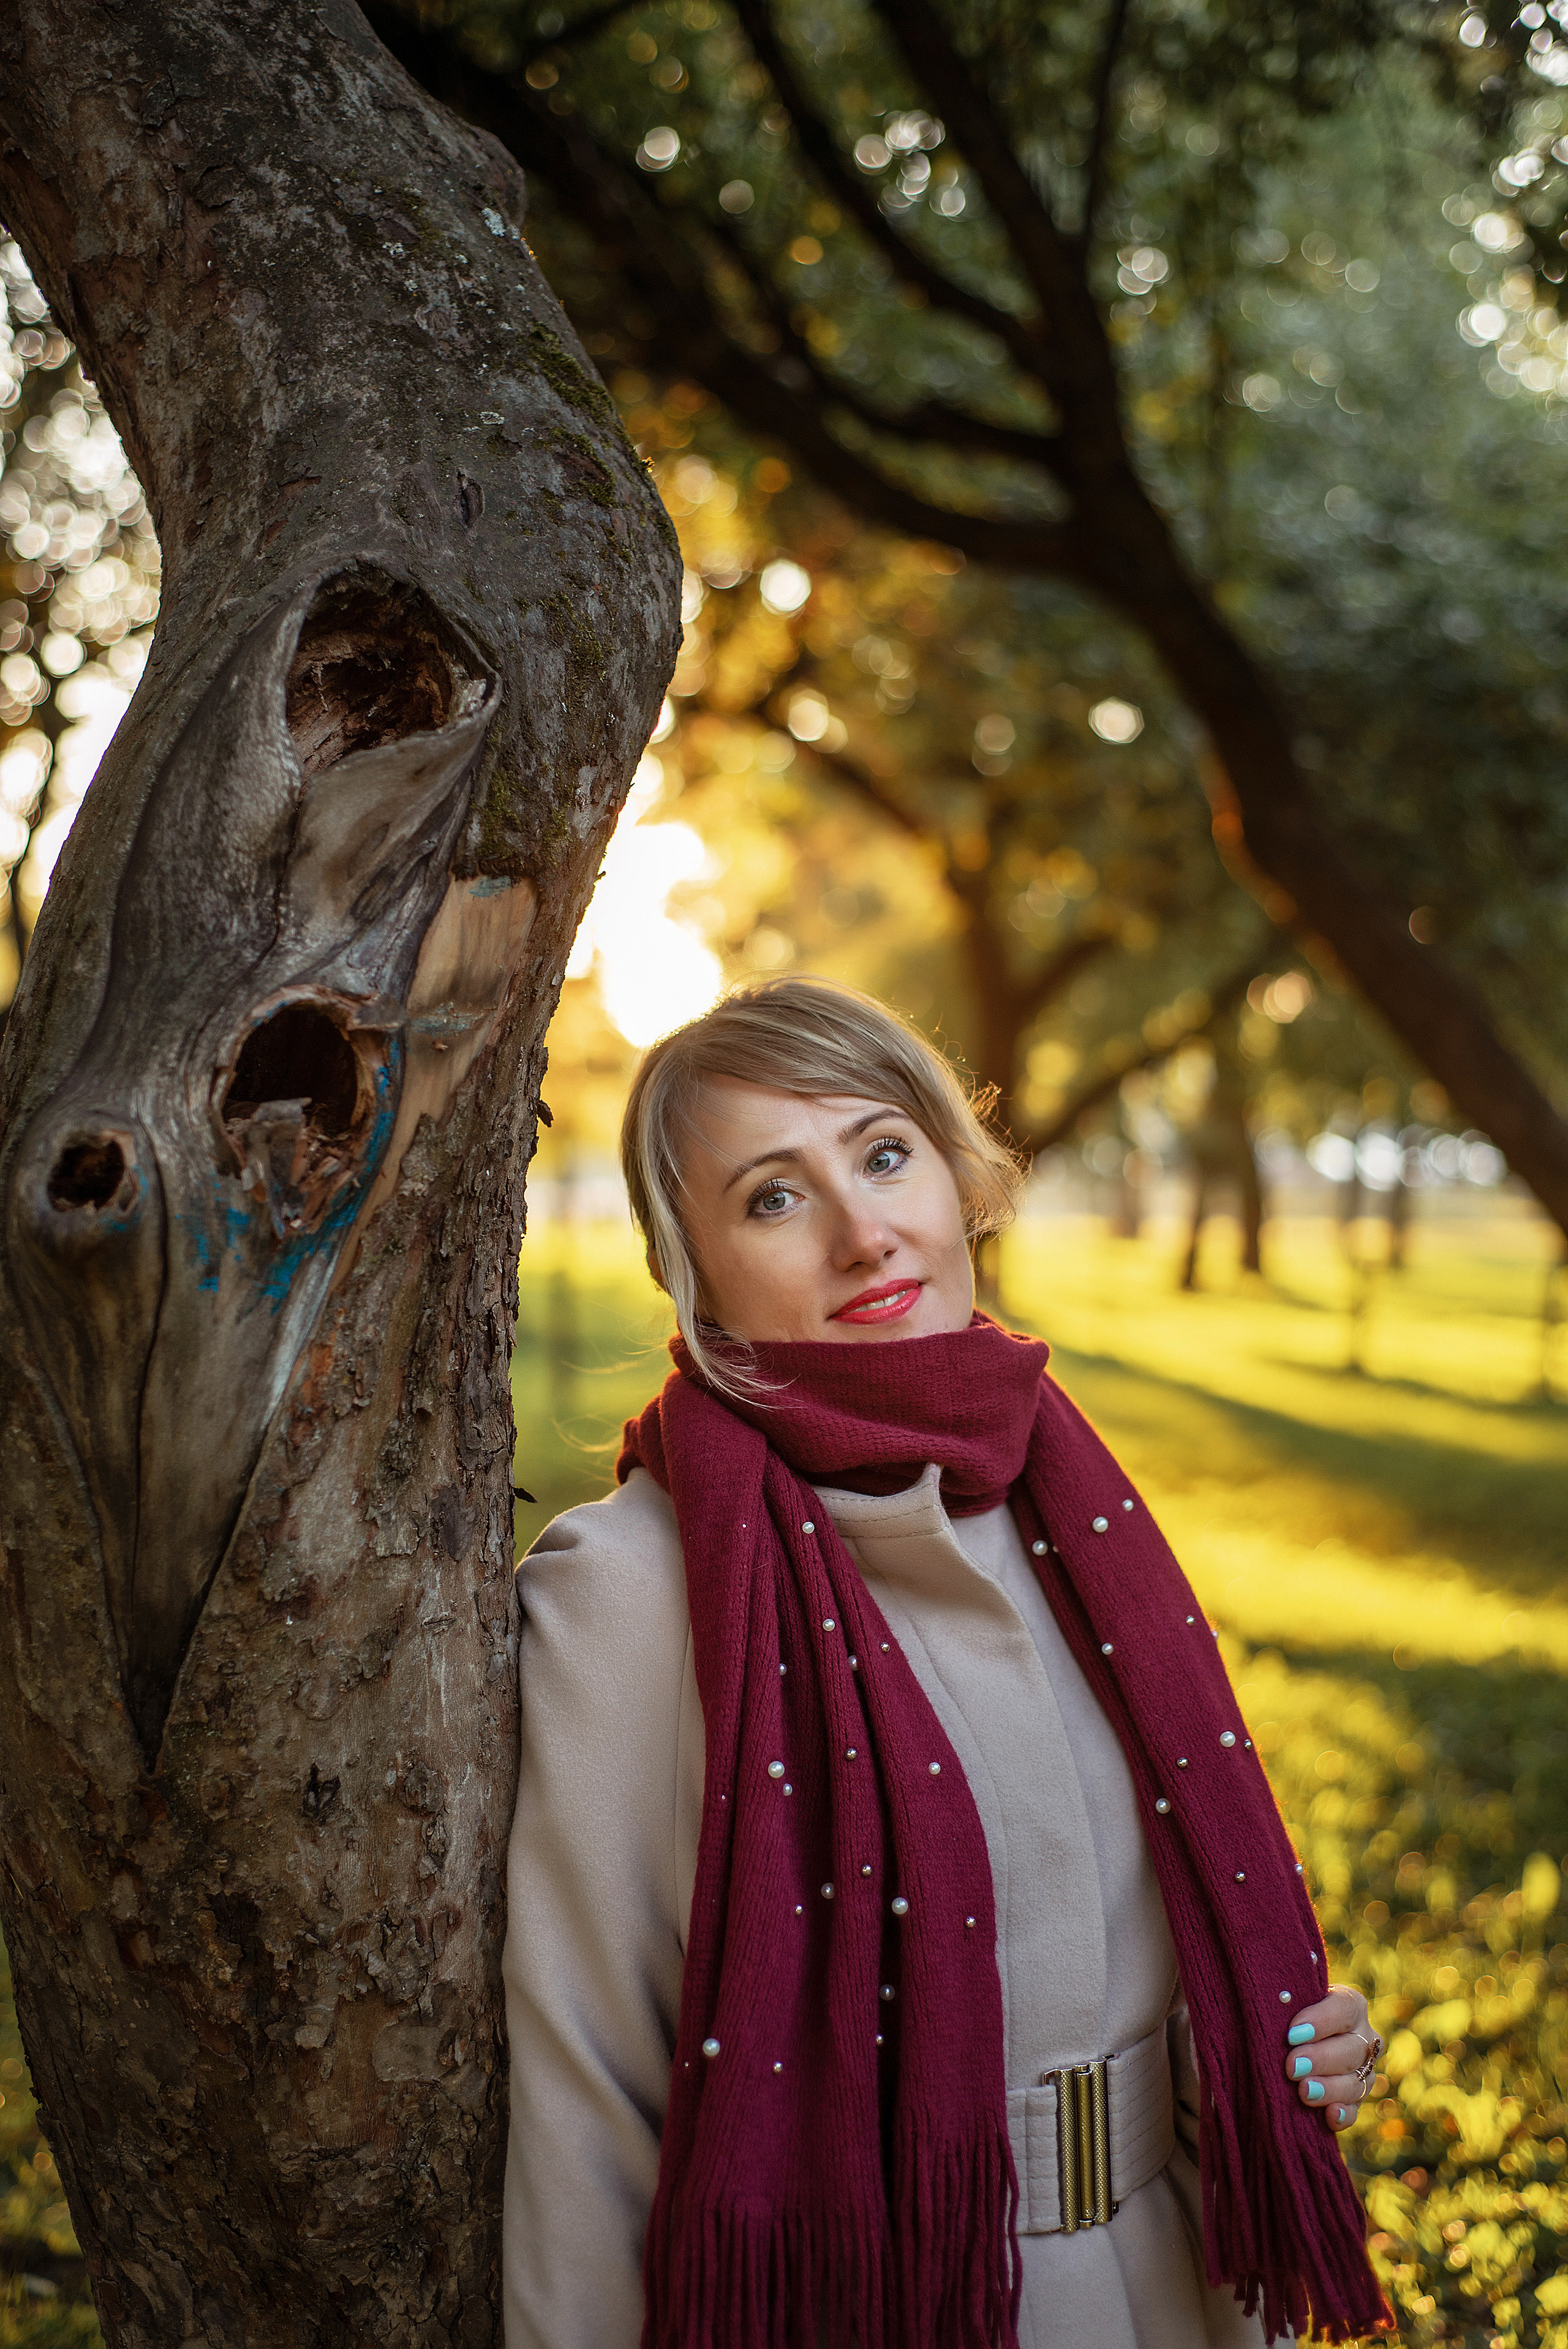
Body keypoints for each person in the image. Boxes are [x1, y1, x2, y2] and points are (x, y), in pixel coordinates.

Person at [501, 978, 1388, 2349]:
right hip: (879, 2308)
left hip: (1178, 2289)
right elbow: (586, 2094)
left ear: (952, 1174)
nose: (863, 1233)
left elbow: (1129, 1943)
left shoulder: (1070, 1511)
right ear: (693, 1274)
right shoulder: (627, 1589)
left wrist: (1270, 2049)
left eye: (883, 1153)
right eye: (773, 1198)